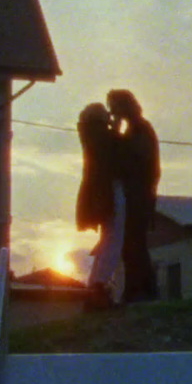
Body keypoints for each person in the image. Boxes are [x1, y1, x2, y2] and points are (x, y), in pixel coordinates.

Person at [107, 89, 160, 303]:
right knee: (131, 244)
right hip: (136, 194)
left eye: (114, 107)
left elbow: (132, 160)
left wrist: (115, 133)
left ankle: (141, 292)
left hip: (139, 195)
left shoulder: (140, 129)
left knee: (134, 243)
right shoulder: (135, 129)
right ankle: (137, 290)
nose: (112, 111)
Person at [75, 102, 124, 308]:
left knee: (109, 239)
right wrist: (117, 124)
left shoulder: (91, 135)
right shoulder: (100, 137)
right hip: (107, 191)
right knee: (114, 238)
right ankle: (99, 285)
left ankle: (95, 285)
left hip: (100, 192)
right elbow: (118, 147)